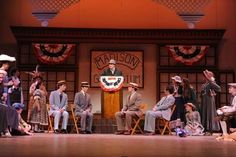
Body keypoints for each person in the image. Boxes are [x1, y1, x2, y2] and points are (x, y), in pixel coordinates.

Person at [27, 65, 48, 133]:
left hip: (42, 101)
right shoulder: (33, 85)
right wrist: (34, 89)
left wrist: (42, 91)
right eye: (37, 79)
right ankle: (34, 127)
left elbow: (46, 94)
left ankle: (40, 127)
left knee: (40, 113)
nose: (38, 80)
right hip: (33, 101)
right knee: (34, 113)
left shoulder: (42, 86)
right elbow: (30, 93)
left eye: (39, 79)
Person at [200, 69, 221, 134]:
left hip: (209, 100)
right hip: (204, 100)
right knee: (204, 112)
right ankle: (205, 128)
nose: (205, 77)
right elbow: (202, 93)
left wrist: (212, 92)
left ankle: (210, 129)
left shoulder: (211, 83)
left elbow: (219, 88)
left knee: (209, 113)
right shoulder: (204, 84)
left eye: (206, 75)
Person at [0, 69, 19, 138]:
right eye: (0, 77)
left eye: (2, 78)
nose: (1, 79)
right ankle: (4, 130)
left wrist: (3, 97)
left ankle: (13, 129)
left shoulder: (1, 85)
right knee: (3, 108)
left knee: (12, 110)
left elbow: (1, 98)